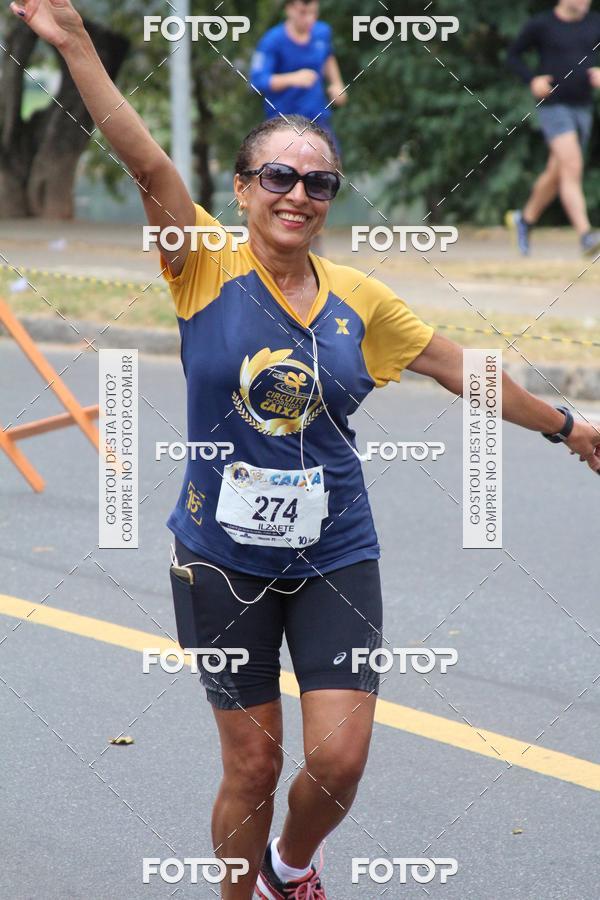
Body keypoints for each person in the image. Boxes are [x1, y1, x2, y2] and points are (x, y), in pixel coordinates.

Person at [14, 2, 600, 898]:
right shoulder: (203, 263)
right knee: (252, 768)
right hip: (219, 556)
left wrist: (569, 428)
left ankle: (291, 867)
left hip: (334, 550)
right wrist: (78, 46)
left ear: (331, 201)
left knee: (341, 761)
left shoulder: (363, 302)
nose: (297, 194)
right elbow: (144, 156)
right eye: (277, 177)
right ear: (244, 189)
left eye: (318, 183)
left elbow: (460, 370)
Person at [506, 0, 600, 256]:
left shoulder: (594, 23)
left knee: (557, 171)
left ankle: (524, 220)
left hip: (582, 107)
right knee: (572, 167)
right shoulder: (542, 25)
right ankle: (586, 235)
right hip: (553, 107)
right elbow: (512, 56)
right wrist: (532, 80)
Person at [249, 0, 347, 159]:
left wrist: (337, 84)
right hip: (282, 123)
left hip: (317, 119)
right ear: (289, 9)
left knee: (330, 166)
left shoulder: (322, 33)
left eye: (314, 13)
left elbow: (328, 56)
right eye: (303, 13)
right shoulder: (271, 41)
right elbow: (257, 81)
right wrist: (293, 78)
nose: (309, 19)